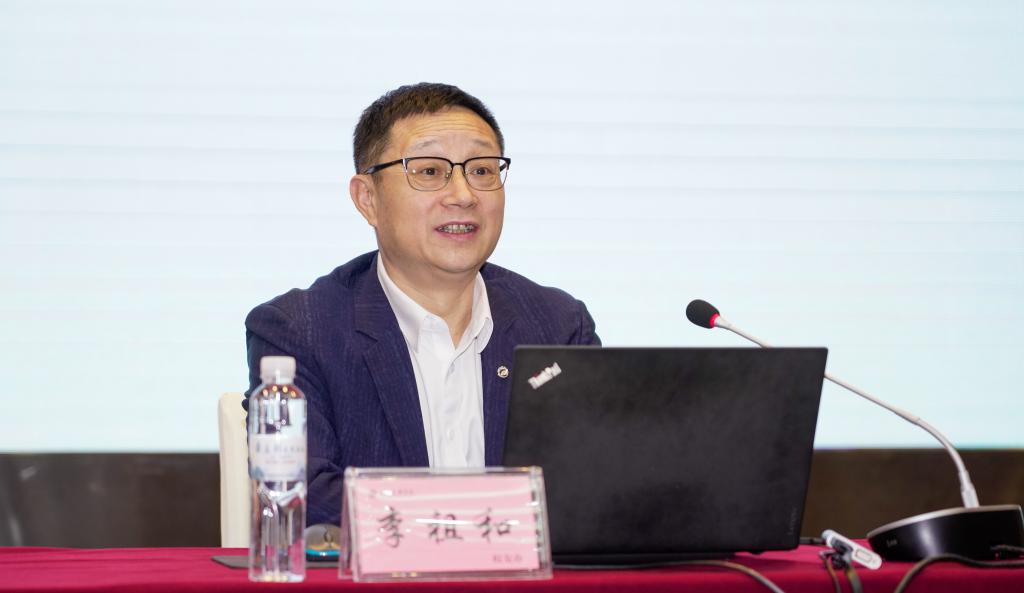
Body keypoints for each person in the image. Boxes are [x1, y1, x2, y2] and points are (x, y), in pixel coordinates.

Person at [244, 82, 600, 526]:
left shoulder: (558, 324)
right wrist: (479, 523)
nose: (463, 195)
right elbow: (304, 496)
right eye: (430, 171)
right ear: (368, 199)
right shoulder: (300, 329)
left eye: (482, 170)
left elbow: (595, 484)